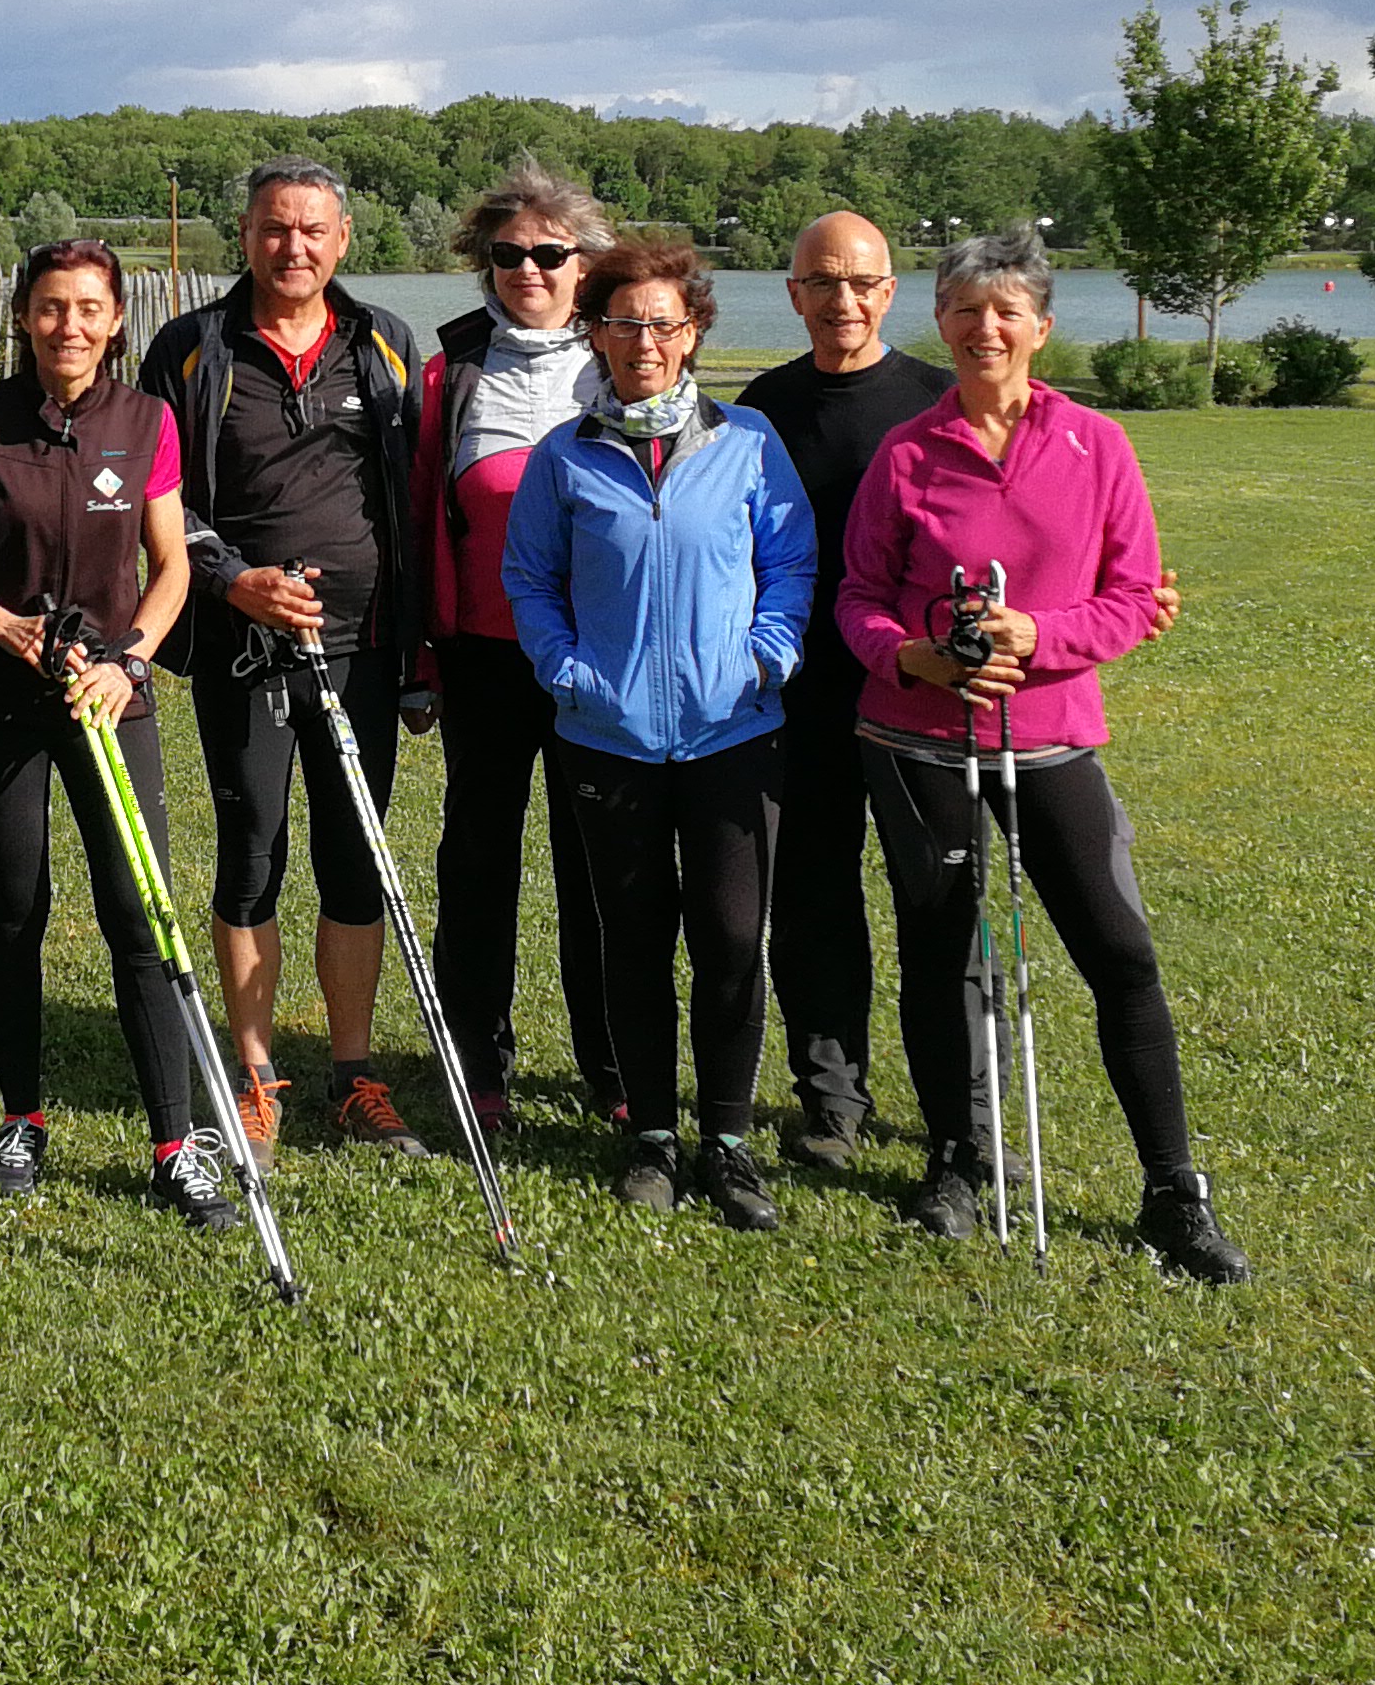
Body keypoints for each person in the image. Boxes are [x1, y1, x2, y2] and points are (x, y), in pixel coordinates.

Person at [836, 229, 1251, 1283]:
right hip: (919, 738)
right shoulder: (906, 452)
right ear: (939, 320)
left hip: (1052, 736)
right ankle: (951, 1161)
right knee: (938, 952)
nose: (984, 329)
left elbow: (1132, 594)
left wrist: (1039, 638)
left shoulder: (1093, 445)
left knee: (1117, 952)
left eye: (1005, 311)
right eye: (965, 310)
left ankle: (1171, 1189)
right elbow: (856, 596)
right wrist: (916, 659)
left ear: (1039, 327)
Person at [501, 241, 816, 1227]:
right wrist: (568, 674)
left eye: (664, 324)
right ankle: (647, 1135)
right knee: (631, 942)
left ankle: (723, 1140)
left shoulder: (750, 441)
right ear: (593, 331)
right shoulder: (564, 456)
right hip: (609, 738)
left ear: (693, 335)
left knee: (728, 939)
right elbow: (529, 580)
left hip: (732, 733)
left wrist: (765, 656)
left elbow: (791, 564)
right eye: (624, 322)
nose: (644, 341)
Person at [137, 158, 430, 1156]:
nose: (291, 247)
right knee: (250, 853)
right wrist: (230, 583)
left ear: (341, 239)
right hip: (243, 649)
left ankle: (351, 1073)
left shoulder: (383, 344)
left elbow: (414, 493)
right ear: (245, 233)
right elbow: (161, 501)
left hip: (365, 649)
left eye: (310, 230)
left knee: (356, 859)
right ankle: (257, 1070)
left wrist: (421, 646)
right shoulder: (189, 350)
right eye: (273, 228)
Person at [0, 238, 239, 1230]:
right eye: (48, 307)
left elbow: (170, 565)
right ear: (23, 316)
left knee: (136, 913)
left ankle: (173, 1143)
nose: (66, 325)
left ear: (114, 321)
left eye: (86, 309)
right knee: (14, 907)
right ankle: (20, 1119)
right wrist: (3, 627)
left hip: (110, 698)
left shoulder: (143, 419)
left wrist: (131, 663)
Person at [410, 163, 626, 1136]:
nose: (527, 269)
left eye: (548, 252)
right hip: (486, 663)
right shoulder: (450, 373)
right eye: (506, 254)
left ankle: (614, 1063)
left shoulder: (628, 359)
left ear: (585, 263)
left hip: (600, 665)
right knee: (479, 862)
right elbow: (421, 521)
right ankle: (475, 1061)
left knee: (602, 868)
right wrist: (420, 664)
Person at [735, 212, 949, 1172]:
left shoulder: (938, 405)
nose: (843, 301)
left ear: (891, 292)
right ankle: (831, 1099)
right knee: (816, 904)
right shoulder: (759, 409)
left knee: (940, 905)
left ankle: (963, 1110)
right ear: (794, 295)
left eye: (862, 282)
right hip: (798, 703)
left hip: (918, 701)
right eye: (823, 282)